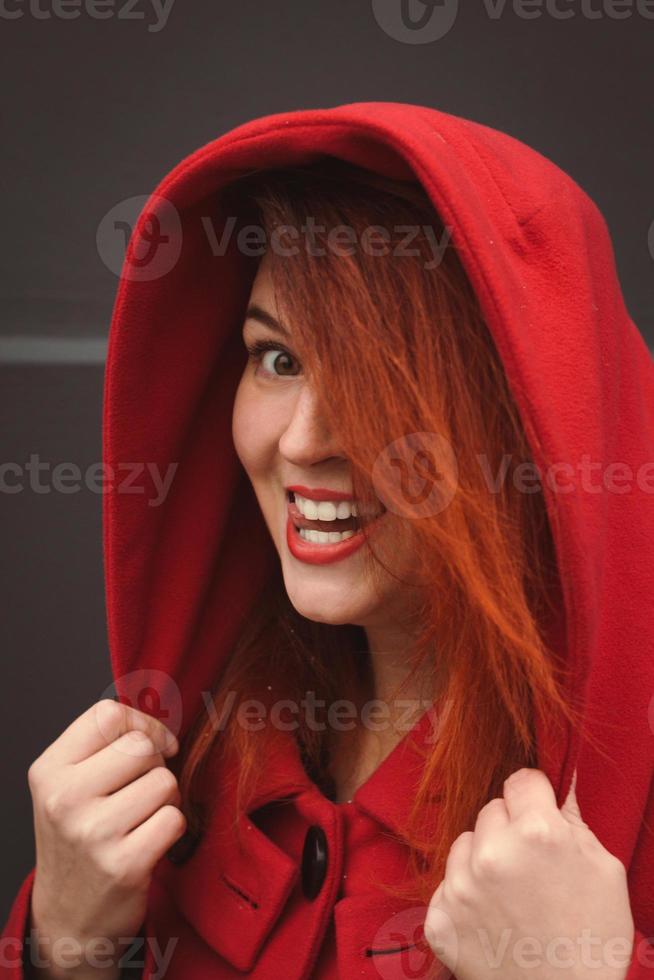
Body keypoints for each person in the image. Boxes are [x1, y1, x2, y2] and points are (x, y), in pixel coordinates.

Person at [3, 101, 654, 980]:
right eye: (278, 358)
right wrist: (62, 951)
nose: (305, 440)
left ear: (529, 424)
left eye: (386, 378)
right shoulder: (203, 752)